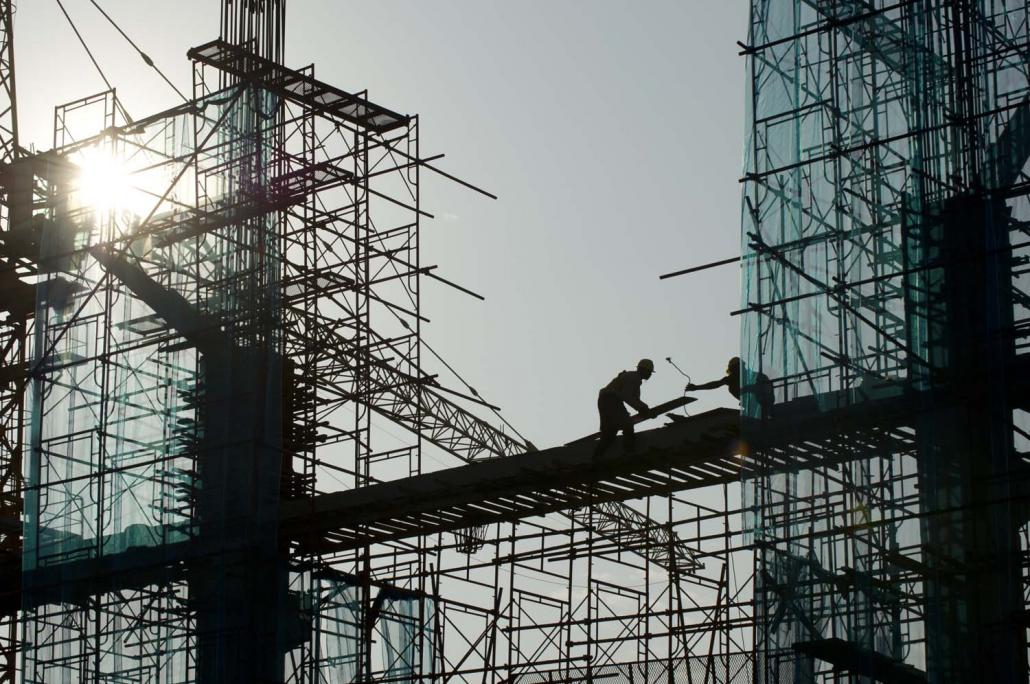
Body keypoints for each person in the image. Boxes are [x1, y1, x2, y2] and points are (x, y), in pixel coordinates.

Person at [595, 358, 654, 456]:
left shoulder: (632, 377)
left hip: (604, 400)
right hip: (611, 400)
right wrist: (642, 408)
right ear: (644, 370)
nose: (650, 374)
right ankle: (629, 452)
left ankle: (597, 457)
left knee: (609, 432)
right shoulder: (634, 378)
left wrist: (643, 407)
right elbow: (627, 396)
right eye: (649, 372)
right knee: (627, 425)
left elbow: (634, 398)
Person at [687, 356, 774, 417]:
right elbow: (715, 384)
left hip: (765, 400)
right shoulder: (732, 379)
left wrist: (748, 389)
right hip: (755, 403)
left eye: (736, 368)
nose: (734, 372)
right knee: (733, 387)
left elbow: (765, 388)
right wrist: (696, 387)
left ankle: (753, 407)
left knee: (746, 388)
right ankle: (750, 406)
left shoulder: (755, 376)